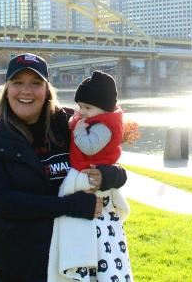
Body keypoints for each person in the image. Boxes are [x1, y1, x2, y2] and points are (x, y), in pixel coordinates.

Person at [0, 54, 128, 282]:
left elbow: (112, 159)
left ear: (47, 89)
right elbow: (0, 201)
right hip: (18, 261)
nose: (26, 91)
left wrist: (111, 175)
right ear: (6, 89)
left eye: (35, 83)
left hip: (72, 256)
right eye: (18, 83)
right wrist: (69, 206)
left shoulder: (71, 124)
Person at [48, 71, 133, 282]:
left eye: (87, 108)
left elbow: (89, 145)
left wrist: (77, 130)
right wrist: (77, 122)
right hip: (84, 175)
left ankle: (88, 268)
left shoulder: (104, 126)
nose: (82, 112)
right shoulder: (90, 119)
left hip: (88, 174)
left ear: (103, 108)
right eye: (80, 107)